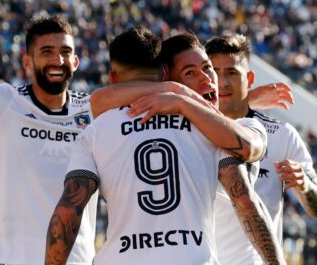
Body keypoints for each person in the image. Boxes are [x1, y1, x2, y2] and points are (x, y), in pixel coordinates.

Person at [45, 27, 285, 264]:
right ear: (165, 74)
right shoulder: (211, 133)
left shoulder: (95, 131)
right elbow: (243, 197)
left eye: (207, 68)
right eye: (189, 73)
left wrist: (180, 99)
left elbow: (68, 209)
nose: (206, 78)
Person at [0, 15, 98, 264]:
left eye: (65, 52)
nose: (57, 60)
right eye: (46, 51)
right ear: (27, 61)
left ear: (76, 61)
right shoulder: (2, 102)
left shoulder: (93, 109)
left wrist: (177, 98)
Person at [204, 33, 317, 265]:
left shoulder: (281, 134)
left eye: (231, 72)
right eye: (215, 73)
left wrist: (305, 185)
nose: (222, 82)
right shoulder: (190, 131)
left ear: (249, 78)